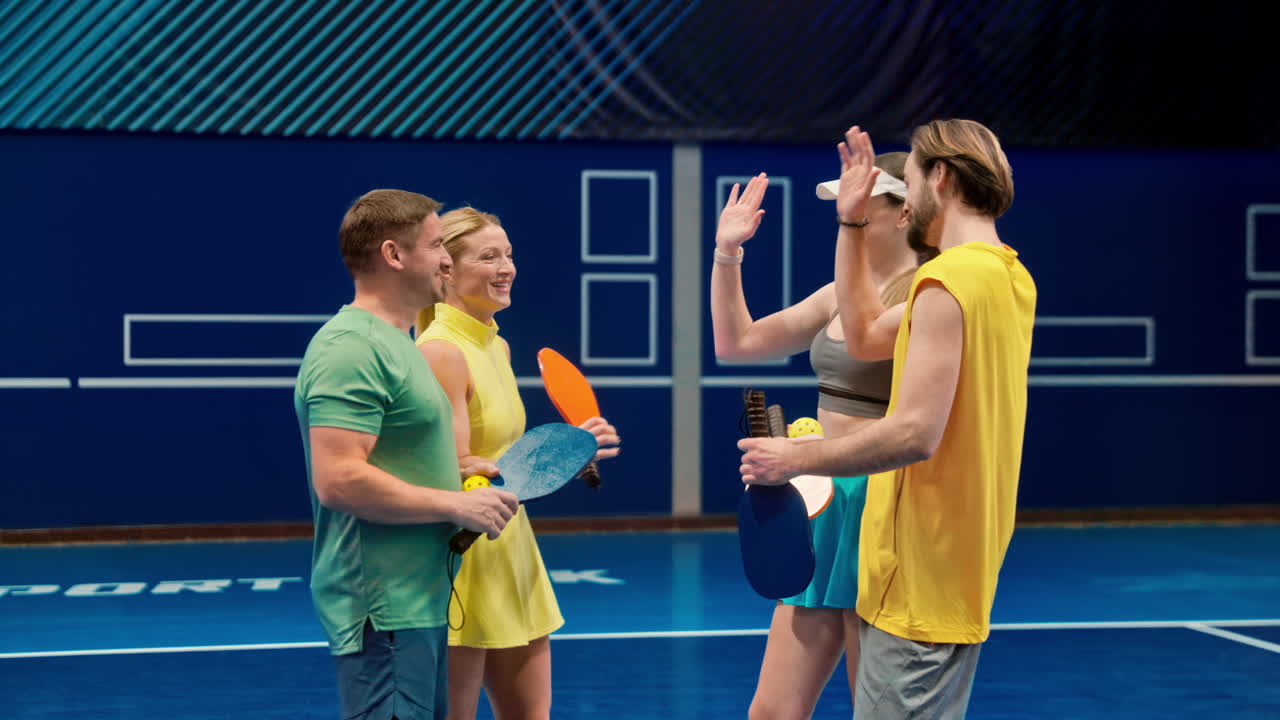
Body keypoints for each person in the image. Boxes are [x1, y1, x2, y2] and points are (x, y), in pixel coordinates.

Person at [738, 121, 1037, 720]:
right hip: (955, 558)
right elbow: (870, 334)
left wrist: (796, 457)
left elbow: (913, 433)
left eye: (918, 173)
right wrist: (850, 224)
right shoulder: (1008, 275)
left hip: (917, 560)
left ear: (941, 178)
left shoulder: (945, 281)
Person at [711, 154, 925, 719]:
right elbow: (738, 343)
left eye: (860, 205)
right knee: (772, 712)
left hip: (890, 506)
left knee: (873, 706)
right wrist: (727, 253)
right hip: (827, 502)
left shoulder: (930, 293)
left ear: (905, 211)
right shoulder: (838, 293)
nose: (845, 215)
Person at [294, 189, 521, 720]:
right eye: (437, 244)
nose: (446, 257)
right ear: (394, 255)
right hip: (385, 607)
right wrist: (454, 506)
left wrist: (460, 472)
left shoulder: (399, 343)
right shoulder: (351, 348)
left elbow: (396, 457)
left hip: (422, 600)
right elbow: (339, 479)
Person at [415, 207, 621, 720]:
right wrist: (549, 458)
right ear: (447, 270)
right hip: (463, 555)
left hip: (510, 539)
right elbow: (461, 471)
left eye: (508, 254)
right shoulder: (441, 351)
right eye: (489, 256)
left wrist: (570, 454)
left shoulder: (497, 346)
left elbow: (502, 460)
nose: (506, 267)